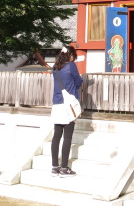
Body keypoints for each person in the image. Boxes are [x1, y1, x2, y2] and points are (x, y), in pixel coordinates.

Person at [51, 45, 83, 177]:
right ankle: (64, 168)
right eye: (73, 56)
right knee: (67, 137)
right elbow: (78, 82)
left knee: (56, 136)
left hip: (57, 103)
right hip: (68, 105)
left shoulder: (55, 68)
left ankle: (54, 167)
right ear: (70, 56)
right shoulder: (71, 66)